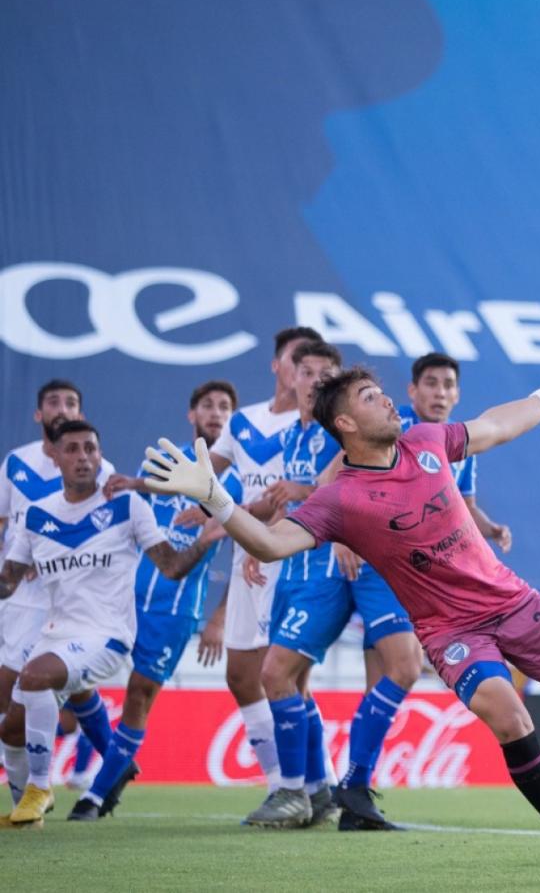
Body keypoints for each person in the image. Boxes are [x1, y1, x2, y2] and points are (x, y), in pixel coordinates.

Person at [141, 338, 540, 888]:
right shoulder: (339, 499)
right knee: (511, 717)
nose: (387, 402)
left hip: (512, 602)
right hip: (451, 630)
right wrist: (218, 498)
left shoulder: (427, 440)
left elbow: (496, 426)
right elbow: (266, 542)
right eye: (370, 397)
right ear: (345, 424)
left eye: (382, 393)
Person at [0, 421, 221, 826]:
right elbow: (7, 582)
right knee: (10, 732)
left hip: (108, 637)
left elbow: (170, 566)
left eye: (90, 449)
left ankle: (39, 787)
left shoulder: (126, 505)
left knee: (33, 677)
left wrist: (206, 540)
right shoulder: (35, 516)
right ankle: (24, 812)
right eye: (73, 449)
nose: (83, 457)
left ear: (100, 456)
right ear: (55, 457)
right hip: (56, 636)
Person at [239, 340, 420, 832]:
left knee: (276, 674)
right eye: (308, 371)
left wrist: (344, 526)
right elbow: (290, 500)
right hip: (293, 568)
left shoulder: (337, 431)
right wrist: (260, 541)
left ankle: (294, 789)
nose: (316, 379)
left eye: (327, 373)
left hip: (328, 571)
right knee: (294, 681)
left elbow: (345, 472)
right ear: (289, 377)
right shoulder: (294, 439)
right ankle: (320, 789)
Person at [67, 381, 243, 820]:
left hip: (175, 608)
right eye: (208, 405)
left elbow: (244, 553)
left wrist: (219, 617)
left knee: (139, 694)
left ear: (233, 419)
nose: (216, 413)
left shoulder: (238, 479)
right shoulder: (164, 469)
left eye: (225, 407)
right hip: (122, 598)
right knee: (73, 677)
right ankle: (117, 761)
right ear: (191, 414)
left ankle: (94, 796)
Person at [202, 326, 321, 799]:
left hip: (285, 552)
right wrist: (171, 490)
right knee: (240, 675)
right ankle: (284, 783)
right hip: (246, 553)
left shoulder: (318, 428)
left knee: (287, 675)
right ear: (278, 366)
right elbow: (207, 473)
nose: (305, 374)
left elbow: (296, 498)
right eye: (297, 362)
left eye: (315, 368)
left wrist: (257, 532)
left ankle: (312, 786)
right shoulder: (245, 420)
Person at [0, 380, 116, 809]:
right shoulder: (17, 463)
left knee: (32, 685)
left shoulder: (100, 470)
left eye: (71, 402)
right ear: (39, 415)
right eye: (54, 402)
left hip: (66, 599)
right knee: (28, 696)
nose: (62, 408)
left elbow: (109, 532)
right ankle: (106, 763)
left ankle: (38, 790)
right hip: (18, 596)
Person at [400, 352, 512, 552]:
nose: (440, 393)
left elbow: (465, 507)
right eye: (431, 383)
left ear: (457, 395)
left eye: (448, 385)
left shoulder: (464, 440)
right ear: (412, 390)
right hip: (383, 551)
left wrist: (490, 529)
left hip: (428, 556)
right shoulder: (391, 426)